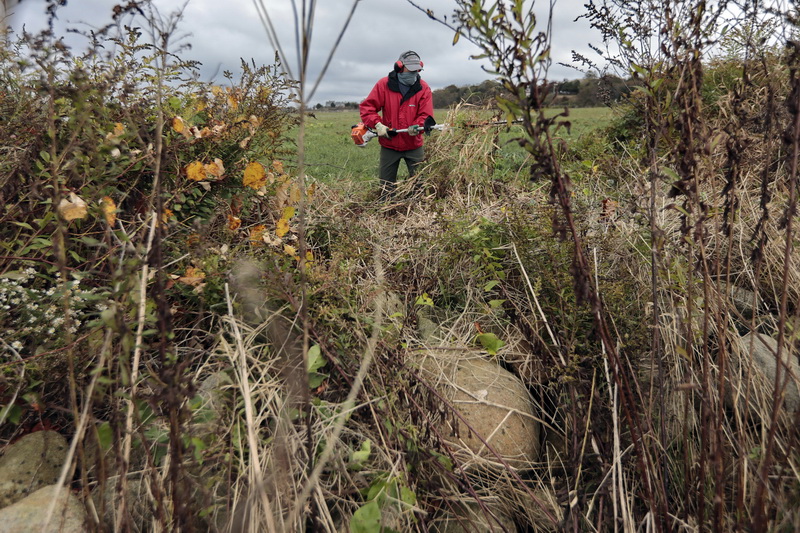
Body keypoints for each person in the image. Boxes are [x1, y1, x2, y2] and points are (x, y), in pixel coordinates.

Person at [359, 50, 434, 199]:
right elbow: (367, 108)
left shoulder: (423, 88)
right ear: (399, 67)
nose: (414, 73)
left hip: (414, 144)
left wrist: (418, 126)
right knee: (386, 187)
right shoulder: (384, 85)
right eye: (411, 69)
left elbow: (426, 115)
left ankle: (417, 211)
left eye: (417, 70)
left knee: (419, 183)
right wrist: (378, 125)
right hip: (389, 144)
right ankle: (387, 212)